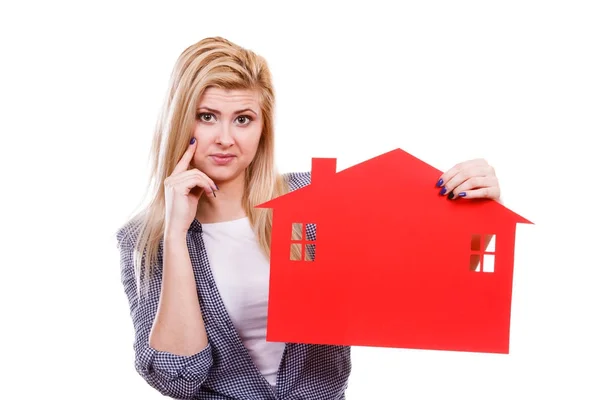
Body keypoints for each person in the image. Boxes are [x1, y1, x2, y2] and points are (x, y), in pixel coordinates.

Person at [115, 36, 502, 400]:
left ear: (263, 127)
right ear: (182, 122)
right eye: (207, 116)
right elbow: (178, 377)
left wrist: (475, 204)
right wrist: (176, 234)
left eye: (243, 119)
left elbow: (418, 251)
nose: (225, 138)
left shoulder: (316, 198)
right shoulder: (143, 239)